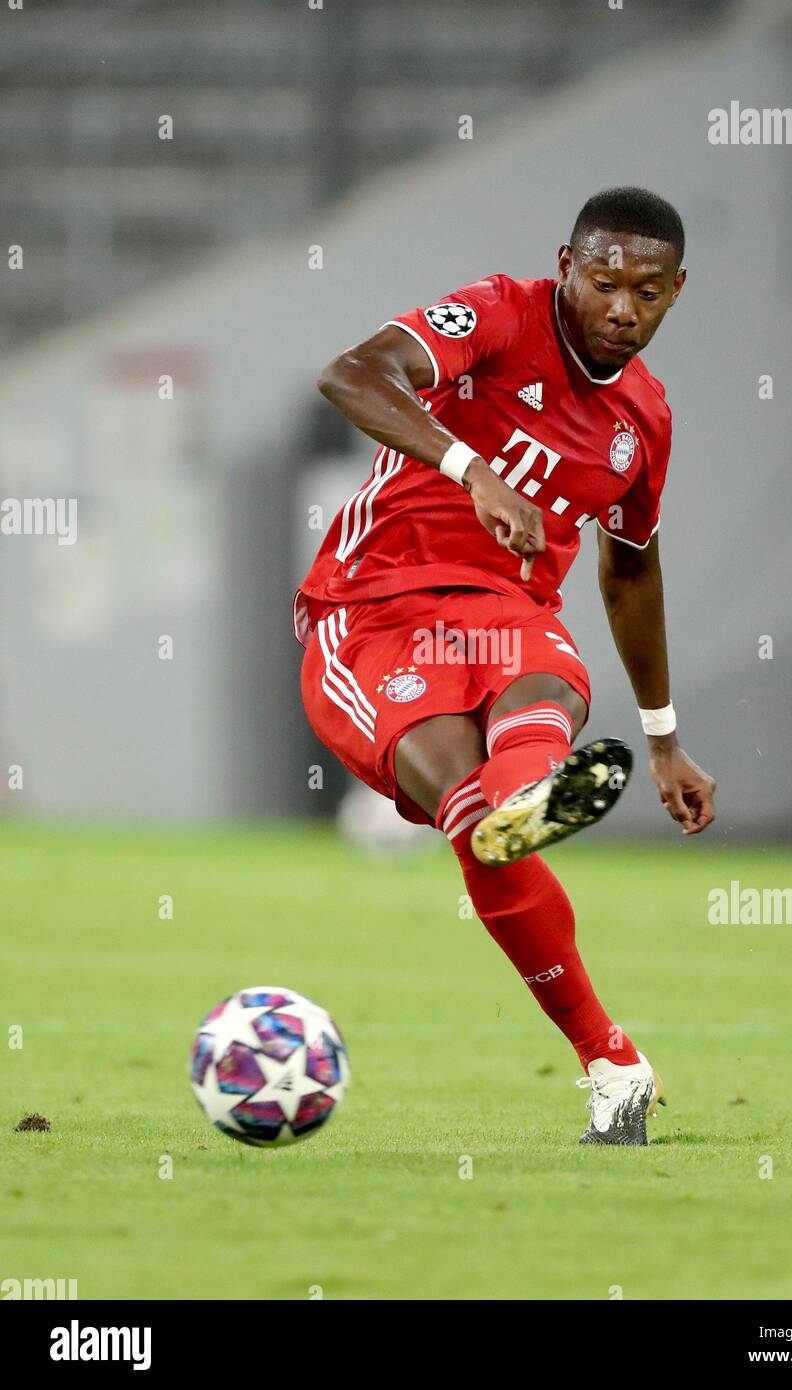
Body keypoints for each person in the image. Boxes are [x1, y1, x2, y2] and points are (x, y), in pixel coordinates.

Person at [293, 187, 717, 1144]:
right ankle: (603, 1038)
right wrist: (469, 471)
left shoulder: (642, 421)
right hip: (373, 614)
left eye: (646, 292)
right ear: (565, 266)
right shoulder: (497, 312)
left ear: (676, 291)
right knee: (473, 826)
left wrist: (663, 740)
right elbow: (351, 374)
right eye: (603, 281)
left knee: (539, 682)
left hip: (506, 612)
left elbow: (629, 570)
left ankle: (614, 1069)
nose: (622, 308)